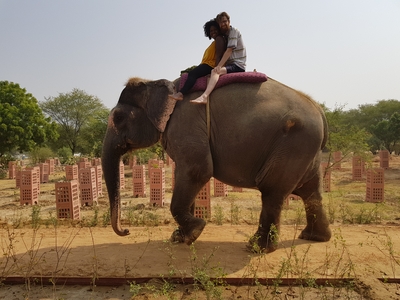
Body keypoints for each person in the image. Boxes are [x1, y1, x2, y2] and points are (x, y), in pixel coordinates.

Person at [190, 12, 246, 104]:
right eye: (220, 23)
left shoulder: (233, 32)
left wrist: (218, 66)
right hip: (231, 64)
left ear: (229, 21)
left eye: (224, 21)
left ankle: (204, 96)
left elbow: (229, 51)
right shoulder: (226, 35)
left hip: (237, 65)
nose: (223, 24)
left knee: (215, 71)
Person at [170, 19, 226, 101]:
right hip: (207, 64)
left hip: (211, 65)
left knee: (192, 74)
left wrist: (216, 69)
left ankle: (180, 94)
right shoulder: (215, 41)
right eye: (211, 31)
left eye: (215, 29)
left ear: (219, 29)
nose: (213, 32)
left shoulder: (219, 39)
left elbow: (219, 55)